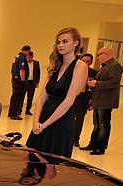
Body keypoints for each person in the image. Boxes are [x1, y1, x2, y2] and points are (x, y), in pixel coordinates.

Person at [26, 27, 88, 158]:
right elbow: (42, 98)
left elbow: (69, 101)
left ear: (76, 43)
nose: (60, 45)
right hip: (43, 119)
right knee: (31, 162)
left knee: (52, 170)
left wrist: (45, 125)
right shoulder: (55, 66)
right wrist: (36, 121)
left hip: (61, 121)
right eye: (59, 42)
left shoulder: (80, 66)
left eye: (65, 41)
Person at [80, 47, 123, 155]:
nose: (98, 57)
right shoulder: (104, 66)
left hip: (106, 101)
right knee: (96, 124)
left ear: (106, 54)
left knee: (104, 125)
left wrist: (97, 84)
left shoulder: (115, 65)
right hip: (98, 100)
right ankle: (93, 144)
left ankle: (100, 147)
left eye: (99, 54)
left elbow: (114, 82)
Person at [73, 53, 98, 147]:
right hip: (72, 98)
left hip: (84, 99)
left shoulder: (94, 73)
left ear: (91, 62)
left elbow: (94, 89)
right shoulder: (73, 70)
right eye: (83, 61)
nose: (85, 63)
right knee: (68, 118)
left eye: (87, 61)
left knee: (79, 120)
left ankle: (76, 139)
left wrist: (92, 101)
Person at [8, 45, 31, 120]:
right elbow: (22, 70)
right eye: (28, 52)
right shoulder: (22, 57)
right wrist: (23, 81)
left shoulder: (16, 56)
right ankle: (14, 114)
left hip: (14, 79)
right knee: (18, 98)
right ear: (27, 51)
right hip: (19, 81)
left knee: (14, 97)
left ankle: (10, 112)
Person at [23, 51, 41, 115]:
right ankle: (19, 111)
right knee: (22, 96)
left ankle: (27, 110)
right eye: (27, 57)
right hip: (25, 82)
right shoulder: (24, 63)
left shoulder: (36, 63)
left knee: (30, 97)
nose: (28, 59)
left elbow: (38, 73)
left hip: (32, 83)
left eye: (29, 57)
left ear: (32, 57)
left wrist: (37, 82)